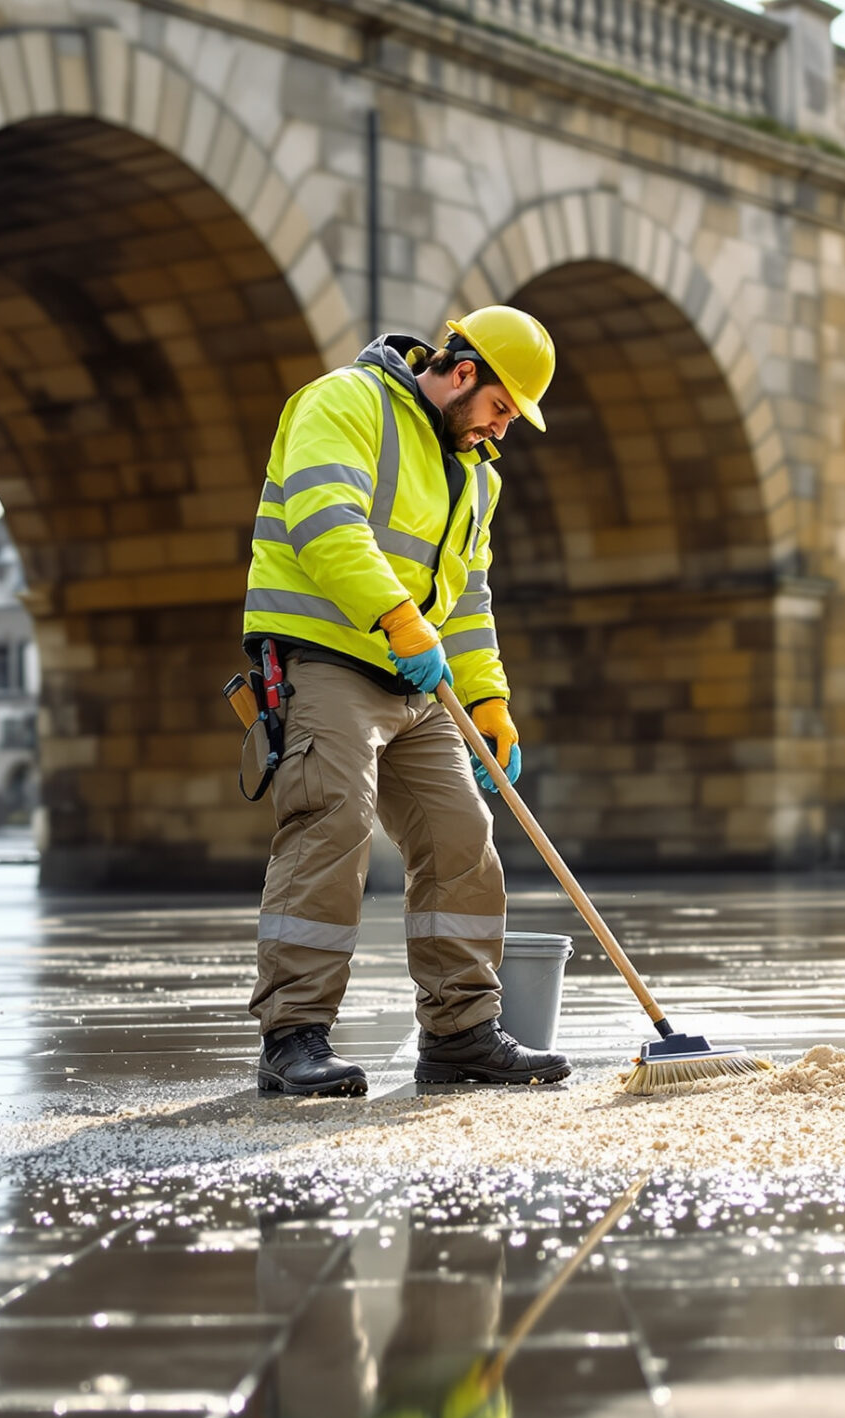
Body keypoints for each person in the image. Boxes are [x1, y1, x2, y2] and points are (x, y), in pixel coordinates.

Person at [240, 307, 573, 1096]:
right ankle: (293, 1037)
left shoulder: (477, 474)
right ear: (463, 373)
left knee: (463, 833)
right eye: (499, 408)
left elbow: (470, 597)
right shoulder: (345, 402)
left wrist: (490, 699)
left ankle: (460, 1032)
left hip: (416, 676)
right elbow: (326, 524)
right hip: (326, 655)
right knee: (334, 820)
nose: (500, 430)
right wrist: (395, 615)